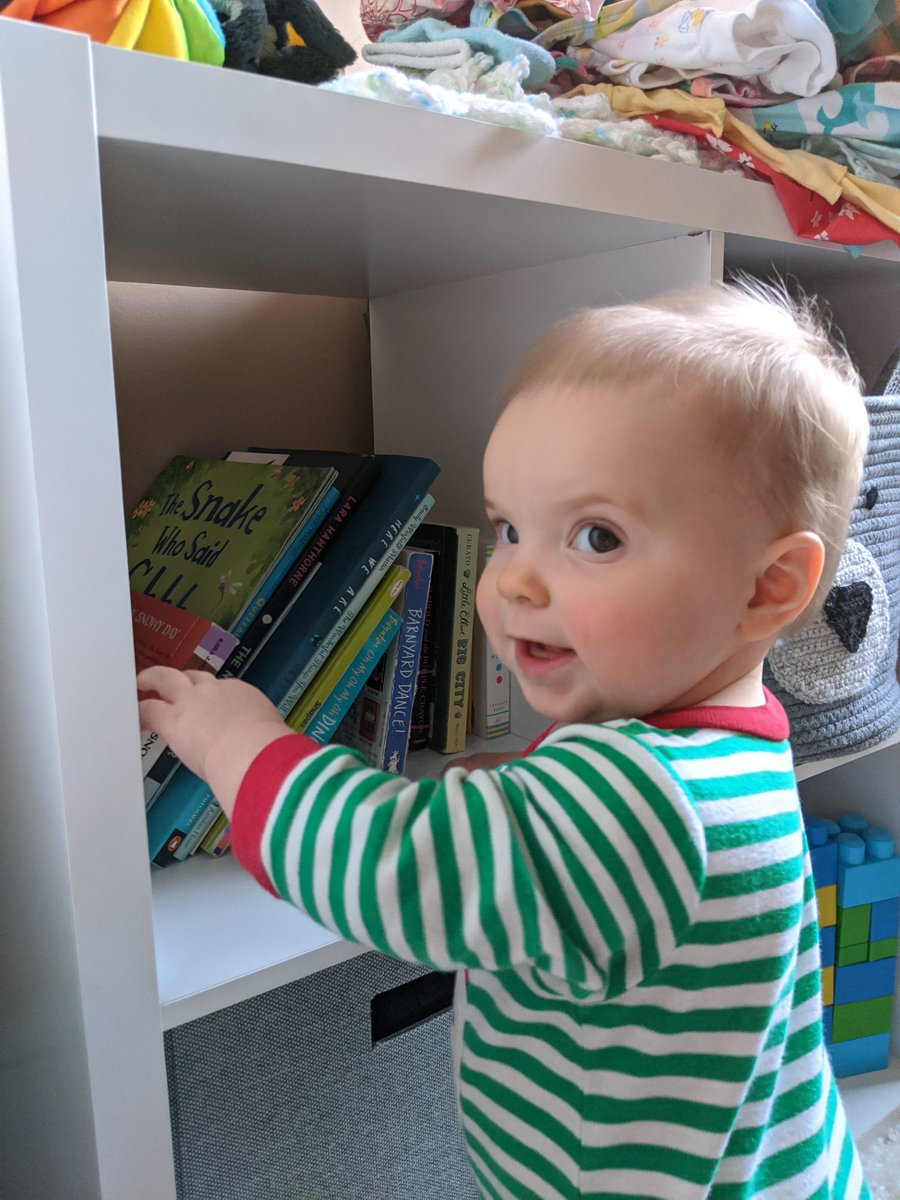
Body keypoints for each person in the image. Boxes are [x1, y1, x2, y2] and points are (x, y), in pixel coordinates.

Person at [137, 279, 872, 1199]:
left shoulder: (641, 800)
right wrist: (524, 782)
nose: (514, 578)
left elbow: (390, 864)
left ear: (769, 587)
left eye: (596, 537)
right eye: (511, 529)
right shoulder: (728, 750)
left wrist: (236, 742)